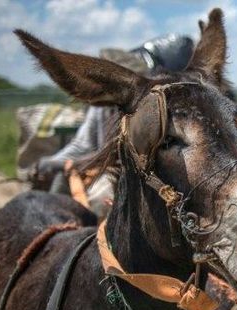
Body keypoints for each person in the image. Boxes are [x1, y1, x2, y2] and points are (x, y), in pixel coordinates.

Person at [32, 34, 194, 216]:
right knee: (57, 185)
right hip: (97, 170)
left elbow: (129, 153)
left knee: (101, 199)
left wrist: (76, 164)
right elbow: (82, 144)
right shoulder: (100, 106)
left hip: (131, 177)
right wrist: (53, 162)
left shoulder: (153, 110)